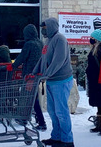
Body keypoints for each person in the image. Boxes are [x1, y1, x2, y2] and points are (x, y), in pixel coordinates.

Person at [34, 18, 74, 147]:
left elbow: (59, 60)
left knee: (61, 112)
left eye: (44, 27)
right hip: (51, 80)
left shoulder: (60, 39)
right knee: (52, 111)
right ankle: (56, 137)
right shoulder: (48, 40)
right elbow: (43, 59)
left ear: (51, 26)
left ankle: (67, 140)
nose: (43, 29)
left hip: (61, 80)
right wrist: (35, 72)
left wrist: (46, 74)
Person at [11, 24, 46, 131]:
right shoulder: (40, 43)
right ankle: (34, 119)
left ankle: (38, 121)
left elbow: (22, 57)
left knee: (29, 97)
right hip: (37, 74)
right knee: (32, 97)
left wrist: (13, 65)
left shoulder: (29, 44)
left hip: (29, 76)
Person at [86, 29, 101, 136]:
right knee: (100, 102)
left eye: (92, 38)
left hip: (100, 80)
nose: (90, 39)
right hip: (95, 80)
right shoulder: (95, 49)